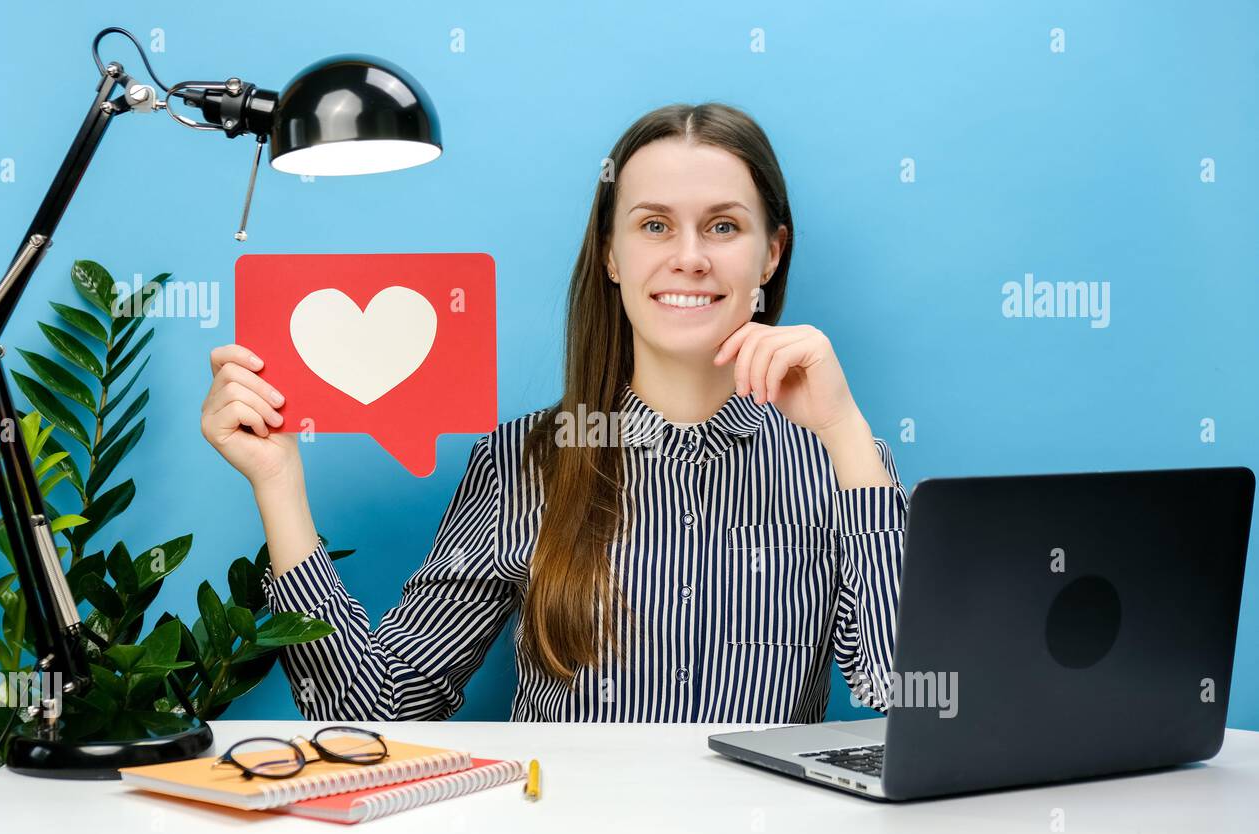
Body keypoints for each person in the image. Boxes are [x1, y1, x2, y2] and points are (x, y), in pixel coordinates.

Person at [200, 102, 909, 723]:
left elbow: (904, 689)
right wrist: (278, 485)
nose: (690, 257)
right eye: (655, 225)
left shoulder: (843, 465)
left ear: (771, 255)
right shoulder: (522, 462)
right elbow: (374, 709)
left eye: (723, 226)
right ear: (610, 254)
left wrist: (846, 433)